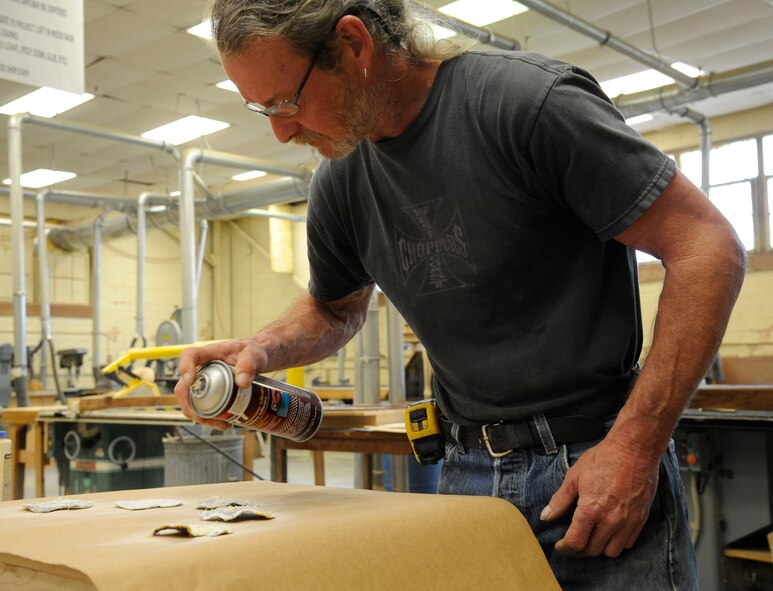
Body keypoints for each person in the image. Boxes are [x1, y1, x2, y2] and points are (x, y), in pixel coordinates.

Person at [174, 1, 747, 588]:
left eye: (284, 102)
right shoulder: (341, 179)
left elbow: (707, 247)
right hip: (467, 473)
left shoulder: (525, 105)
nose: (281, 129)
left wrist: (635, 447)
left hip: (594, 464)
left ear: (352, 45)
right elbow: (335, 307)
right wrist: (260, 349)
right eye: (260, 109)